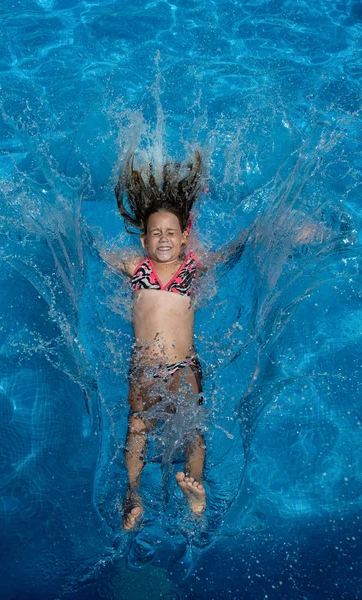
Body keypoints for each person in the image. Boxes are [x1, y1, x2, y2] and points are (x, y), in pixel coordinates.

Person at [98, 149, 248, 531]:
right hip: (146, 366)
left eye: (171, 233)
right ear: (144, 239)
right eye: (155, 233)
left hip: (184, 365)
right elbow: (98, 251)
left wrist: (259, 234)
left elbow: (232, 252)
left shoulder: (193, 267)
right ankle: (133, 492)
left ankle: (194, 490)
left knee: (191, 429)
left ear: (184, 238)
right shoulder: (137, 267)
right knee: (137, 425)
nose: (163, 239)